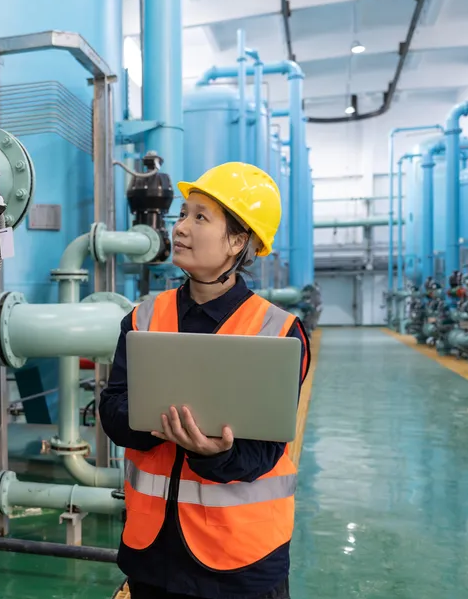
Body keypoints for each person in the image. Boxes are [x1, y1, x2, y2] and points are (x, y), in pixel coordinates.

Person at [100, 162, 311, 599]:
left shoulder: (277, 331)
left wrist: (218, 454)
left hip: (240, 563)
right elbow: (113, 410)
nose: (180, 228)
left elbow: (265, 451)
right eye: (182, 214)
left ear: (237, 241)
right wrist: (147, 421)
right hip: (153, 556)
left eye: (200, 217)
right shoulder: (143, 318)